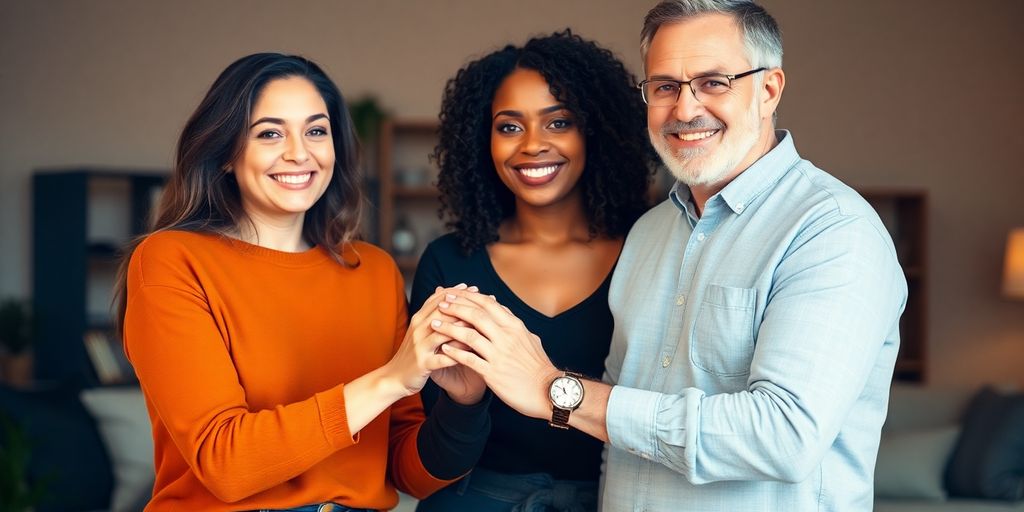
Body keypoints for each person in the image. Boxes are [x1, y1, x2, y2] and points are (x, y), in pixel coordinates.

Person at [431, 1, 908, 511]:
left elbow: (785, 435)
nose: (684, 109)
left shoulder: (831, 230)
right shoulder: (649, 233)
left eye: (714, 82)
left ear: (768, 90)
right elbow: (618, 427)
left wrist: (554, 390)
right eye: (664, 87)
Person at [115, 53, 491, 512]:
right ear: (226, 153)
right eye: (270, 133)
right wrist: (392, 379)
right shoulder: (170, 260)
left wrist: (463, 404)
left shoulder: (373, 271)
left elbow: (405, 471)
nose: (299, 153)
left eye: (316, 131)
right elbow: (227, 465)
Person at [411, 30, 652, 511]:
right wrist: (464, 403)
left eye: (558, 122)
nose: (533, 145)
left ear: (594, 131)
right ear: (484, 140)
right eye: (509, 126)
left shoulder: (650, 251)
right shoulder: (449, 263)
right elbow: (433, 461)